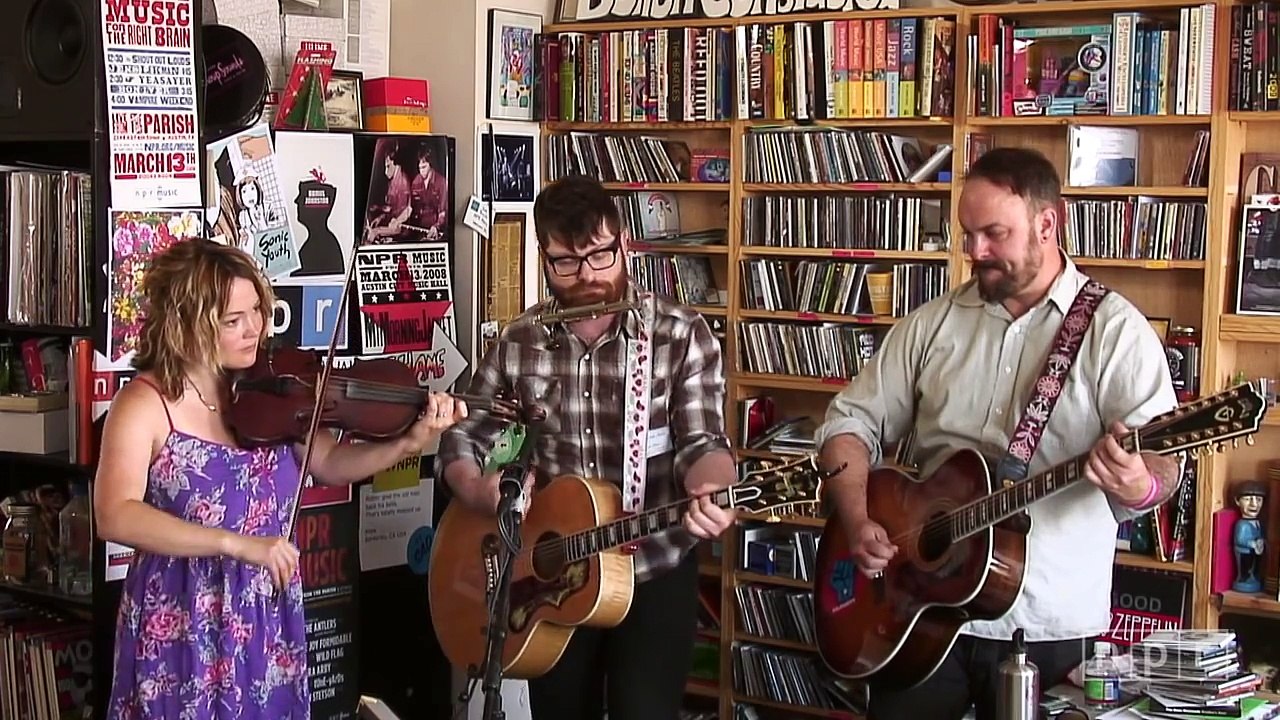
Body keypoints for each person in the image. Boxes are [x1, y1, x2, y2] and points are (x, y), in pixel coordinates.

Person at [816, 147, 1183, 720]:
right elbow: (847, 423)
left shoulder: (1116, 333)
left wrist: (1138, 483)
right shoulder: (932, 323)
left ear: (1046, 223)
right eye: (966, 235)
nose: (974, 252)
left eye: (993, 234)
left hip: (1047, 622)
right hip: (917, 612)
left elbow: (1163, 464)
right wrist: (859, 516)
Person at [94, 239, 467, 719]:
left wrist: (408, 442)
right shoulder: (145, 403)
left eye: (257, 311)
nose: (255, 329)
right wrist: (235, 543)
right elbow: (114, 514)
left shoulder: (271, 389)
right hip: (183, 613)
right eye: (233, 320)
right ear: (184, 322)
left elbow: (329, 462)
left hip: (262, 610)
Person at [436, 174, 737, 720]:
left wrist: (710, 486)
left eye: (600, 256)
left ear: (624, 244)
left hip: (651, 562)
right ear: (544, 258)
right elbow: (462, 435)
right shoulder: (519, 341)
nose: (588, 277)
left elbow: (704, 442)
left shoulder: (679, 334)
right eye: (566, 263)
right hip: (552, 571)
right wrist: (479, 491)